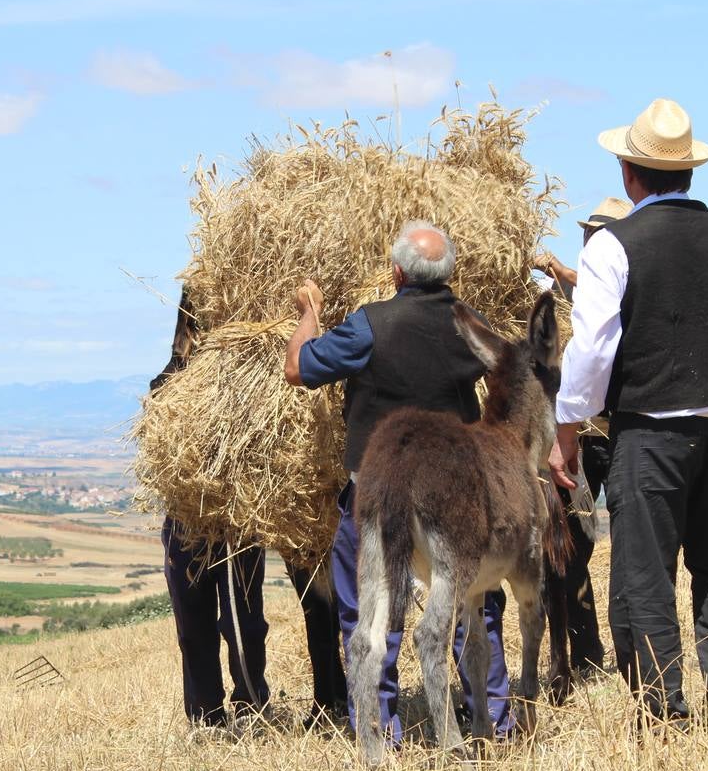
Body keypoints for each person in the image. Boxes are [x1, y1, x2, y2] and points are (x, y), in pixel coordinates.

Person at [549, 99, 708, 736]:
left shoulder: (613, 246)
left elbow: (592, 348)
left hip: (649, 432)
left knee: (644, 571)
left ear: (630, 173)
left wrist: (566, 431)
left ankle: (662, 707)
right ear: (689, 173)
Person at [283, 220, 517, 743]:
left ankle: (378, 728)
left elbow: (298, 368)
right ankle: (495, 722)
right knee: (471, 609)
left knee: (370, 612)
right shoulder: (470, 327)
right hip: (455, 493)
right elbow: (515, 378)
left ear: (396, 272)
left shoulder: (371, 326)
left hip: (381, 491)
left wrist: (309, 315)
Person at [150, 290, 270, 728]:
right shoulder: (166, 382)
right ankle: (205, 715)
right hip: (184, 521)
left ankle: (252, 704)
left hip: (235, 520)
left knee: (243, 623)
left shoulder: (238, 380)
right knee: (192, 627)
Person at [532, 195, 631, 676]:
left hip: (618, 434)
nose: (593, 239)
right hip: (586, 438)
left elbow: (589, 290)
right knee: (569, 547)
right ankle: (584, 652)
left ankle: (625, 651)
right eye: (590, 232)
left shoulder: (621, 280)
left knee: (629, 546)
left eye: (600, 232)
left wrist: (556, 267)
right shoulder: (578, 288)